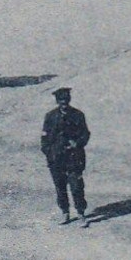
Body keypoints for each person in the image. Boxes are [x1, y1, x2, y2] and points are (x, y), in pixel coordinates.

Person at [40, 87, 91, 224]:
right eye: (61, 101)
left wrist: (77, 143)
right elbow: (44, 138)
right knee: (60, 187)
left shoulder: (78, 115)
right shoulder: (50, 116)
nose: (64, 104)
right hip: (56, 158)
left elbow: (86, 134)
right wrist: (49, 152)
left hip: (74, 157)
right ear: (57, 102)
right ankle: (65, 212)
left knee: (76, 186)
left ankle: (81, 213)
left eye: (66, 101)